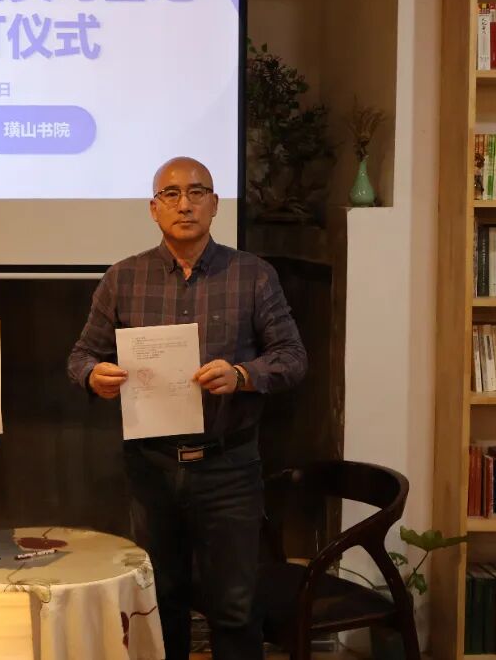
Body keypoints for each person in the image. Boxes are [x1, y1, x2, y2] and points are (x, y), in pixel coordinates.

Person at [67, 157, 307, 660]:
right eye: (171, 194)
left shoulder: (253, 275)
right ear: (153, 208)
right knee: (161, 603)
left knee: (235, 609)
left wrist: (242, 375)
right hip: (152, 466)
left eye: (197, 193)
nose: (184, 204)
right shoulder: (123, 278)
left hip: (229, 466)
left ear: (215, 204)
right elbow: (81, 356)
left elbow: (292, 358)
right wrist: (93, 375)